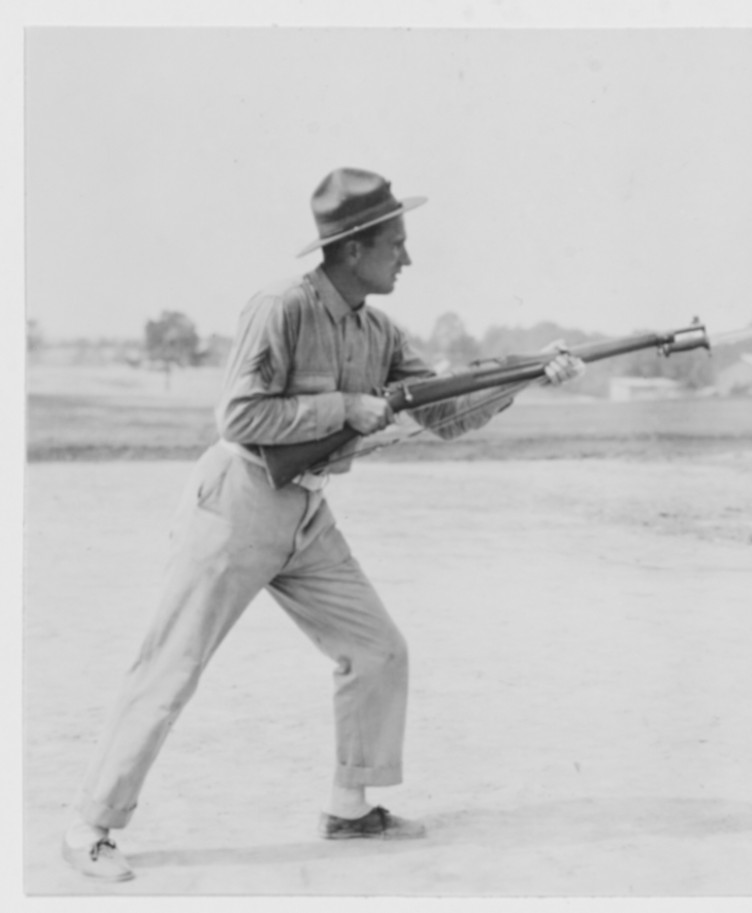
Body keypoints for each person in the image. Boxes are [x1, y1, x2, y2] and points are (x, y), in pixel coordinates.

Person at [61, 167, 587, 881]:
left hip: (307, 510)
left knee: (378, 650)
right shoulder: (280, 306)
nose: (407, 257)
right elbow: (239, 416)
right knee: (171, 667)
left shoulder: (378, 329)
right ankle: (88, 824)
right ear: (350, 249)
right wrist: (342, 406)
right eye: (395, 243)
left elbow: (444, 414)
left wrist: (524, 378)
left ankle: (349, 808)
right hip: (236, 499)